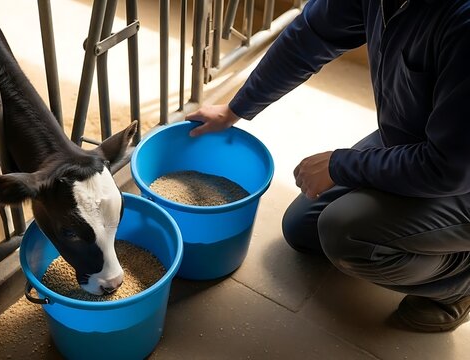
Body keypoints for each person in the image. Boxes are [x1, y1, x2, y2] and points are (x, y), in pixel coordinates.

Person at [186, 0, 470, 332]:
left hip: (456, 170)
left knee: (345, 234)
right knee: (303, 229)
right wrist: (235, 108)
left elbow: (449, 167)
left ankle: (458, 287)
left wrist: (342, 165)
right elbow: (311, 35)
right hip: (421, 142)